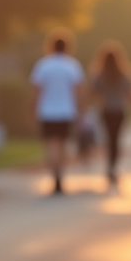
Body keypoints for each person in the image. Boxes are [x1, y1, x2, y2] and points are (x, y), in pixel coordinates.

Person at [29, 29, 85, 195]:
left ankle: (55, 176)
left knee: (51, 145)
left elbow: (36, 92)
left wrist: (31, 111)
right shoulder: (72, 66)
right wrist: (81, 111)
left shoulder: (43, 66)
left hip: (47, 112)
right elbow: (79, 91)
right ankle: (60, 177)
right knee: (62, 145)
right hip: (66, 112)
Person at [88, 40, 131, 190]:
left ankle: (109, 166)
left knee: (108, 139)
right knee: (116, 140)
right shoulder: (124, 74)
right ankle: (113, 167)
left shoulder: (100, 75)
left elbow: (93, 92)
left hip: (105, 111)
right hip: (119, 111)